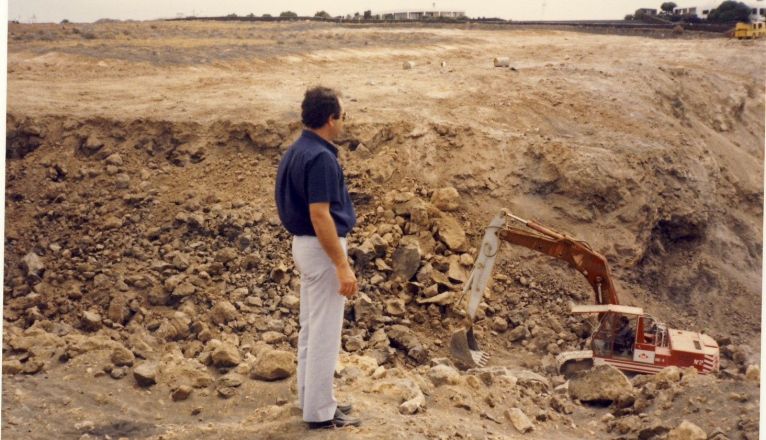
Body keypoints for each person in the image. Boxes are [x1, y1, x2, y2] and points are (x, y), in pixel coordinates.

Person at [275, 86, 361, 430]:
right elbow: (320, 215)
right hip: (321, 249)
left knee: (311, 328)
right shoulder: (322, 158)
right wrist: (342, 264)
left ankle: (311, 400)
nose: (342, 123)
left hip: (305, 247)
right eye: (342, 116)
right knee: (325, 332)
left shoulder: (297, 150)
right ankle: (322, 412)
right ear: (330, 118)